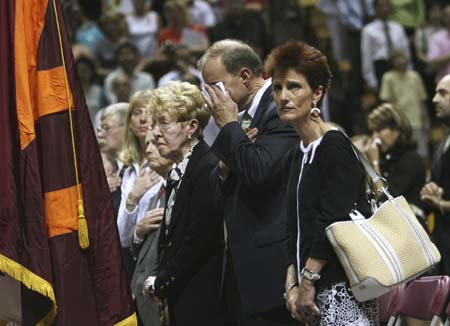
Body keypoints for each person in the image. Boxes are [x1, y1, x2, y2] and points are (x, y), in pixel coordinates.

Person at [264, 40, 379, 325]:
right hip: (309, 290)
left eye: (294, 86)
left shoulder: (334, 145)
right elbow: (292, 226)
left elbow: (334, 220)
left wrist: (307, 281)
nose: (283, 97)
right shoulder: (296, 153)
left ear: (317, 93)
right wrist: (291, 285)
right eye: (277, 88)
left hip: (342, 286)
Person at [199, 39, 298, 325]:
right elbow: (217, 186)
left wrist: (229, 126)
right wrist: (225, 164)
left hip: (276, 270)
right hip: (245, 270)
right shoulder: (245, 118)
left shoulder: (281, 107)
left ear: (244, 76)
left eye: (216, 87)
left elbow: (259, 171)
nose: (211, 99)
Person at [144, 81, 224, 326]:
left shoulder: (206, 167)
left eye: (164, 123)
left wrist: (162, 280)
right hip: (182, 296)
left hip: (204, 300)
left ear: (191, 127)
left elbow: (199, 237)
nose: (155, 132)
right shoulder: (179, 169)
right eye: (154, 124)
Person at [131, 131, 173, 326]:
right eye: (146, 144)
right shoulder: (155, 193)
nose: (148, 149)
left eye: (155, 143)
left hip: (165, 301)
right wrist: (138, 233)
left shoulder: (176, 187)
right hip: (144, 303)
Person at [360, 103, 427, 223]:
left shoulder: (411, 160)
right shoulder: (384, 160)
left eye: (379, 130)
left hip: (410, 229)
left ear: (396, 129)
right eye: (373, 131)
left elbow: (387, 203)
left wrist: (373, 164)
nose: (375, 137)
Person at [117, 90, 159, 278]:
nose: (143, 119)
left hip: (157, 259)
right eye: (136, 112)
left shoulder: (167, 162)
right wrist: (133, 196)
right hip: (132, 261)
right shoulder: (126, 169)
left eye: (148, 111)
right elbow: (122, 236)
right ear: (130, 124)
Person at [421, 74, 450, 275]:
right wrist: (430, 188)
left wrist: (440, 204)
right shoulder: (443, 141)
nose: (434, 99)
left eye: (443, 93)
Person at [379, 50, 430, 158]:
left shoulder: (415, 76)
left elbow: (422, 100)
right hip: (399, 123)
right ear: (392, 61)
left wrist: (426, 120)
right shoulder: (388, 77)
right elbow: (386, 102)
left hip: (417, 120)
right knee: (404, 155)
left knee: (422, 153)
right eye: (397, 58)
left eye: (402, 57)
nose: (401, 61)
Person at [361, 0, 411, 93]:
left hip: (399, 66)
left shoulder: (398, 28)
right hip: (381, 67)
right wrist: (371, 80)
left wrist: (409, 70)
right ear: (375, 9)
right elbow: (366, 56)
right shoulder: (368, 30)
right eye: (381, 6)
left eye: (386, 6)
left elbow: (405, 50)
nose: (384, 9)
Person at [427, 5, 450, 83]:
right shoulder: (437, 38)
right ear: (444, 19)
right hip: (445, 87)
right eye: (447, 16)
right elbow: (432, 65)